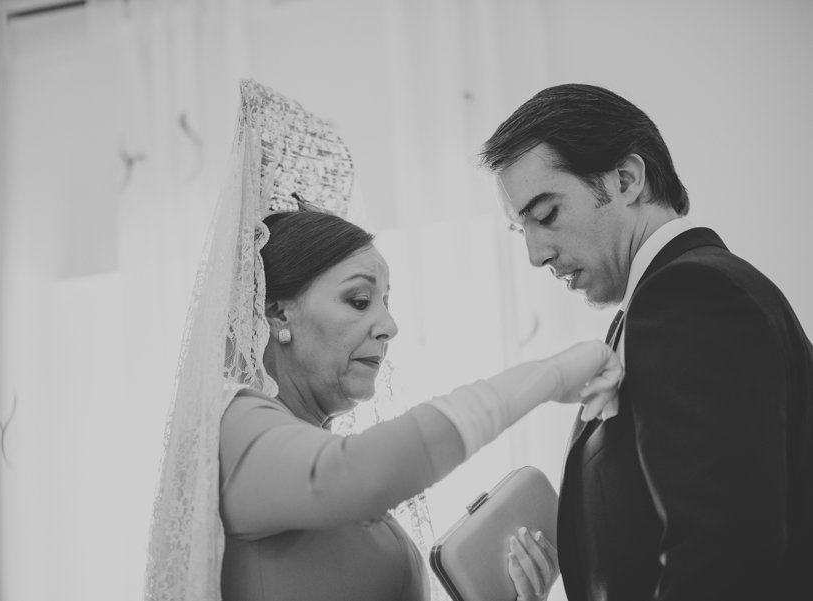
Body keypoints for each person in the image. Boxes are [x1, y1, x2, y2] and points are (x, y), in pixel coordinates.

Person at [144, 79, 622, 601]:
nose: (388, 326)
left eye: (386, 302)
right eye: (357, 300)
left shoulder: (324, 463)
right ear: (279, 312)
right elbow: (354, 474)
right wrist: (547, 376)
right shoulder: (231, 429)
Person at [481, 83, 813, 601]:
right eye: (520, 229)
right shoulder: (661, 303)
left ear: (626, 179)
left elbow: (723, 557)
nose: (536, 254)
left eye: (546, 215)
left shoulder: (691, 297)